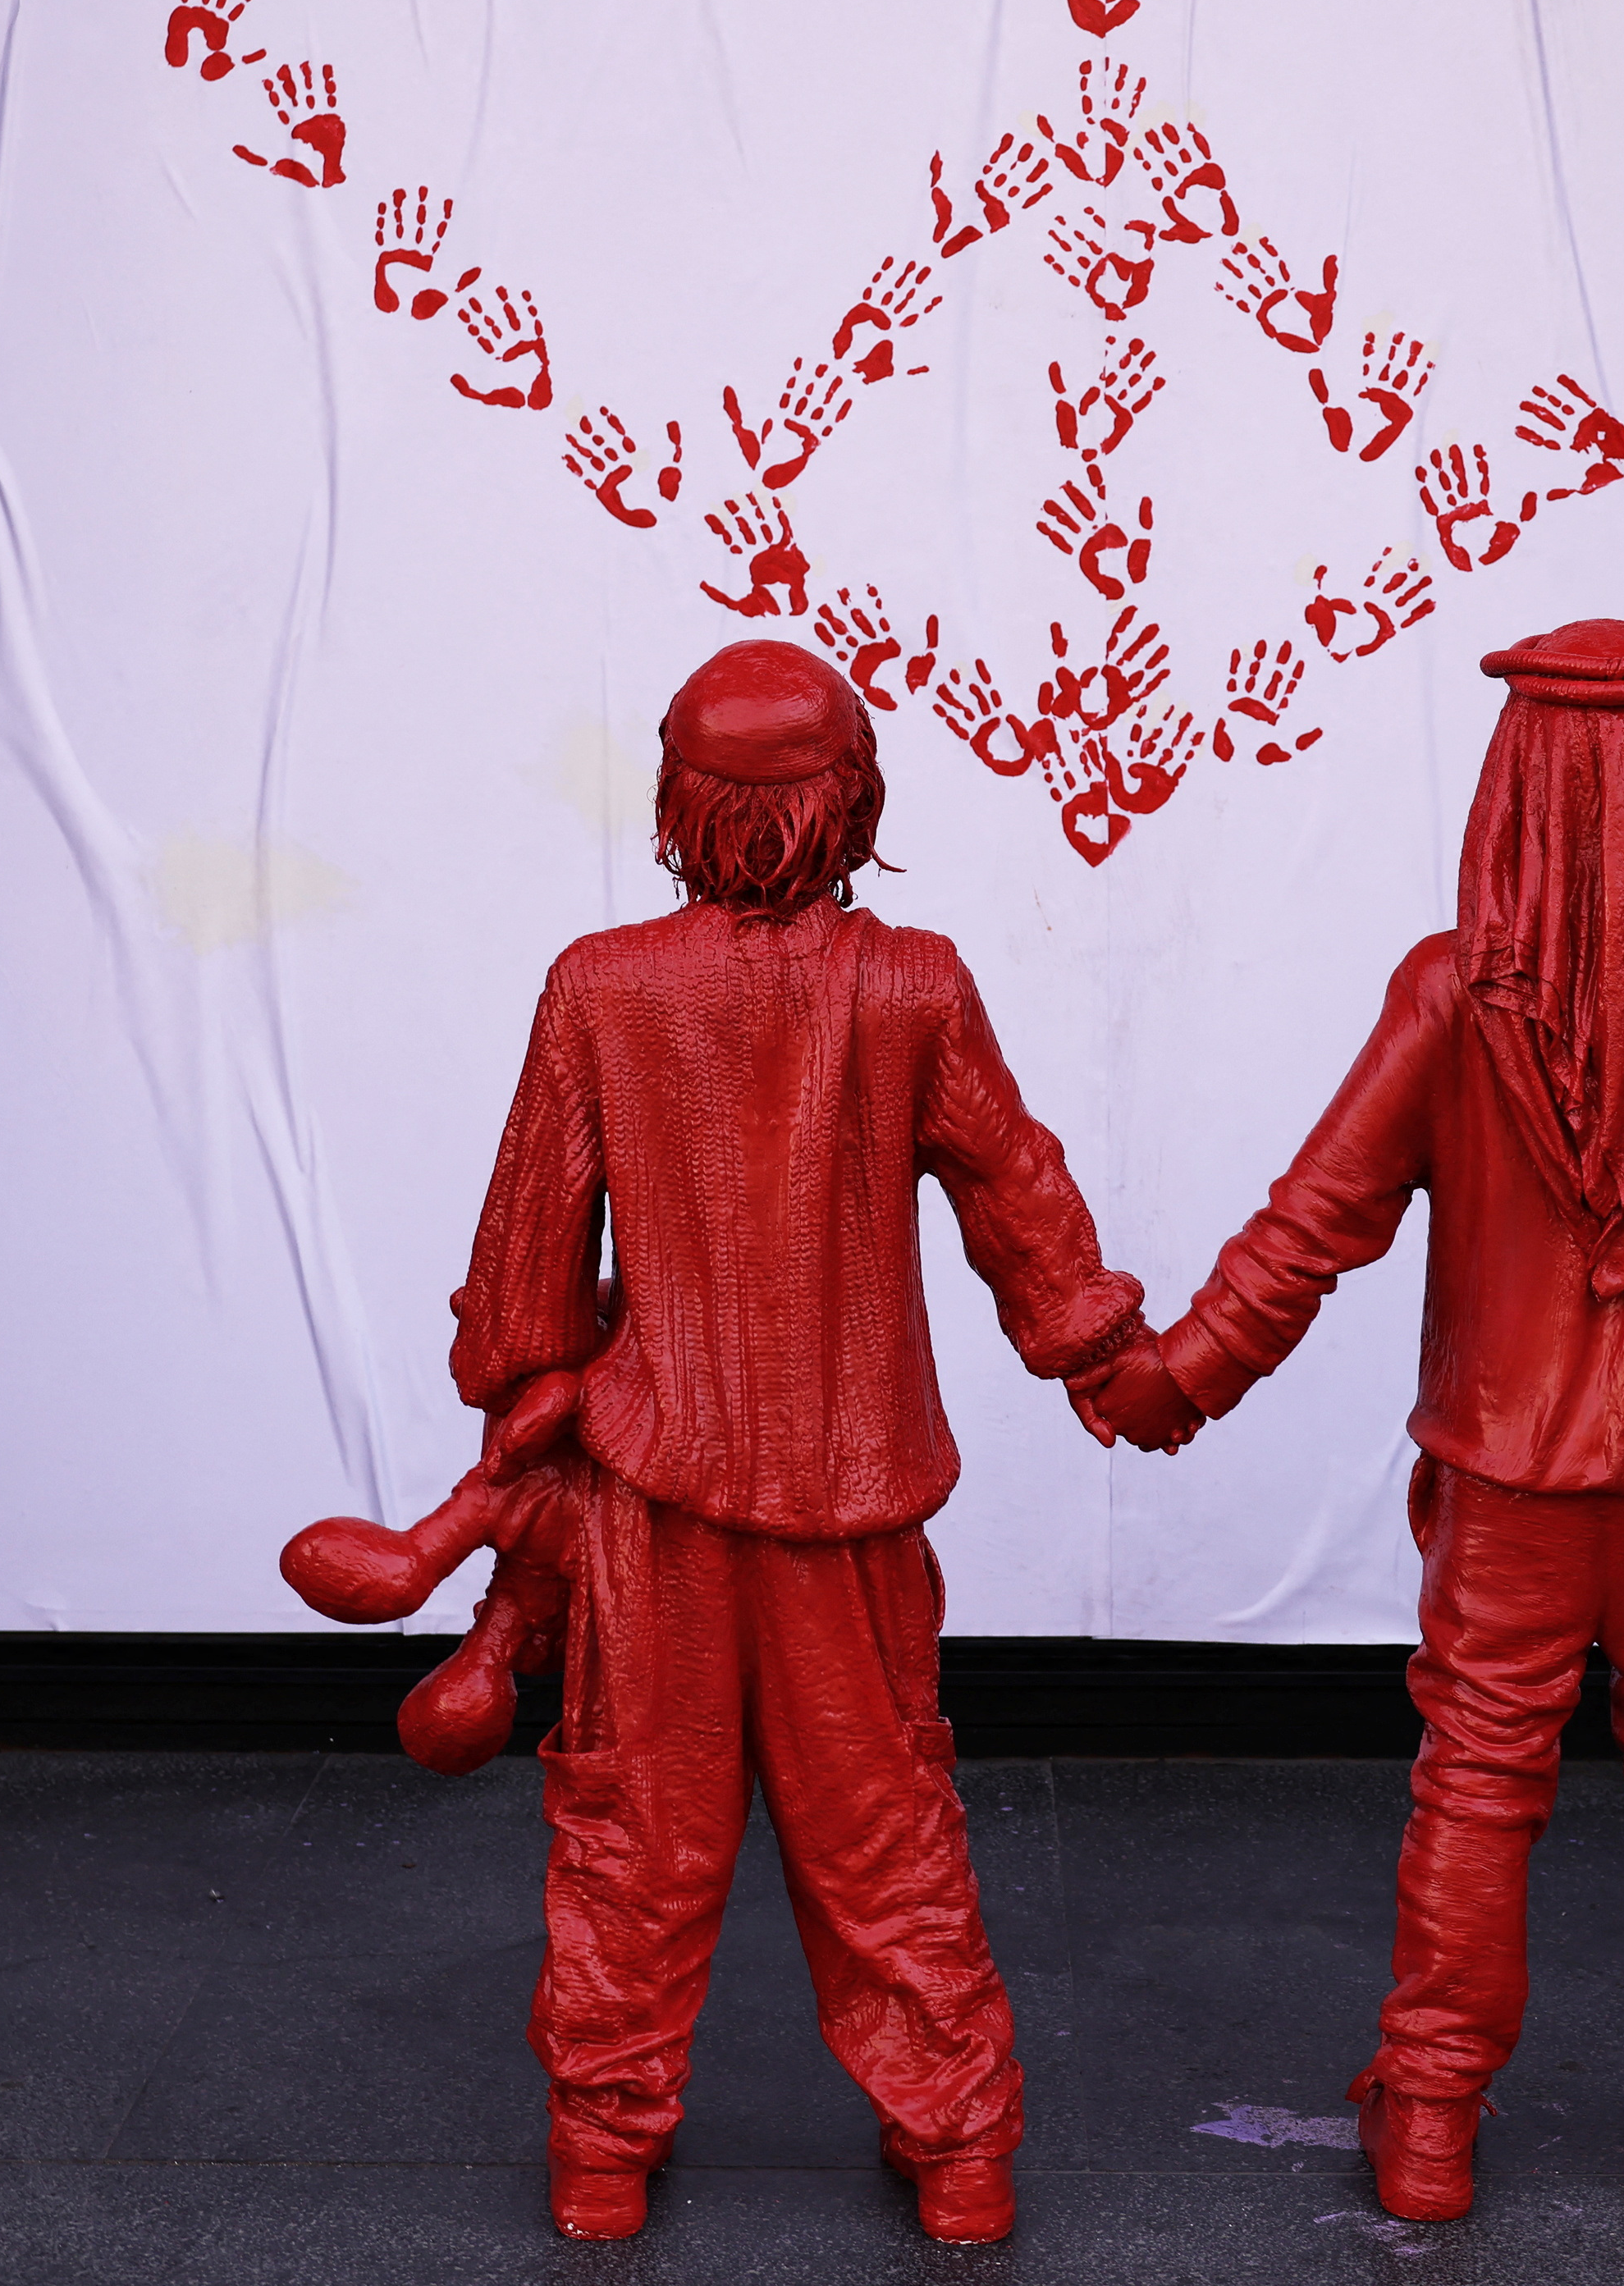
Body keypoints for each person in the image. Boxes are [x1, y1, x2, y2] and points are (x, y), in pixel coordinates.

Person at [445, 637, 1201, 2244]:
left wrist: (534, 1384)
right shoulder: (913, 985)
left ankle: (600, 2154)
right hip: (854, 1518)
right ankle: (959, 2154)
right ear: (853, 798)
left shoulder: (601, 989)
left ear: (678, 803)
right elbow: (1020, 1197)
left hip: (654, 1511)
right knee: (887, 1835)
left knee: (635, 1838)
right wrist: (1105, 1362)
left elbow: (517, 1290)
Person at [1146, 618, 1624, 2225]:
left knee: (1478, 1781)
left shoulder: (1452, 995)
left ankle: (1425, 2124)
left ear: (1520, 781)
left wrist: (1175, 1381)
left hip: (1505, 1489)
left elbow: (1312, 1225)